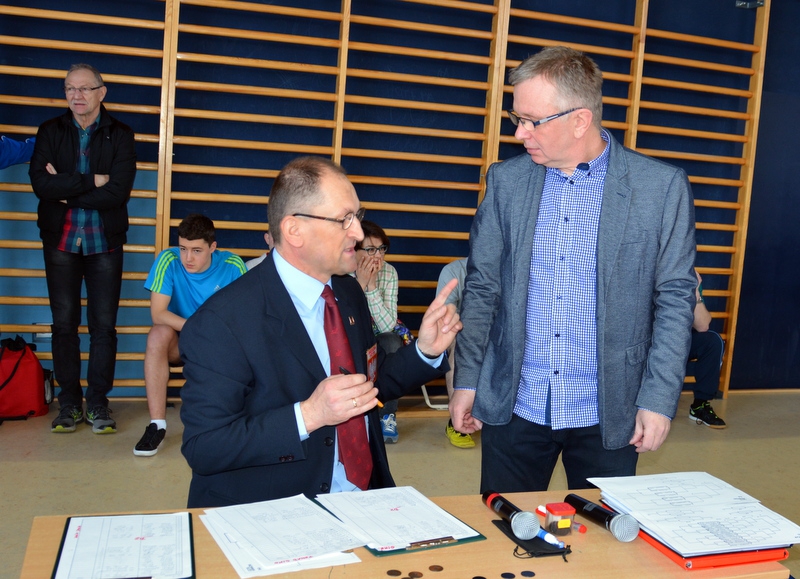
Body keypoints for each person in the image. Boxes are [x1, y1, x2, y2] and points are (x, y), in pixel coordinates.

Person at [449, 46, 697, 493]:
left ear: (580, 120)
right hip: (515, 404)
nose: (520, 132)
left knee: (603, 531)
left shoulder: (660, 188)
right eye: (517, 118)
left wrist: (659, 399)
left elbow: (675, 301)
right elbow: (483, 287)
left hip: (611, 409)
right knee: (505, 524)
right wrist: (466, 380)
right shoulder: (506, 182)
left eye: (532, 121)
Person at [179, 155, 461, 508]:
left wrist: (425, 350)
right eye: (345, 219)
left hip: (363, 495)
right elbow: (204, 447)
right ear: (294, 230)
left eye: (357, 216)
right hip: (277, 509)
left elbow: (367, 384)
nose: (358, 233)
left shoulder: (347, 292)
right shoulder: (220, 322)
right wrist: (309, 415)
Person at [29, 63, 136, 434]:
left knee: (103, 327)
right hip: (60, 241)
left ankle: (99, 403)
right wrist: (93, 181)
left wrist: (67, 190)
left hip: (104, 242)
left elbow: (118, 192)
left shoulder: (121, 134)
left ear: (101, 93)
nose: (76, 95)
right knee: (64, 326)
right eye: (69, 88)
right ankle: (70, 404)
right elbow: (41, 185)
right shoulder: (50, 130)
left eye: (84, 88)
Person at [134, 214, 247, 456]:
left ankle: (227, 423)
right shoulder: (168, 259)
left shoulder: (233, 265)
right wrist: (198, 328)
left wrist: (210, 333)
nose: (187, 258)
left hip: (218, 345)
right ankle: (157, 425)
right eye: (183, 249)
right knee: (157, 334)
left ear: (212, 247)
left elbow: (243, 320)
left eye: (196, 250)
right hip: (181, 341)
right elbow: (158, 314)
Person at [353, 219, 403, 443]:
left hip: (378, 335)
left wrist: (371, 287)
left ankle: (387, 415)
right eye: (370, 249)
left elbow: (387, 326)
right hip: (352, 333)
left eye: (382, 249)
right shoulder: (342, 271)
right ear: (355, 250)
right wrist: (360, 284)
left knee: (392, 341)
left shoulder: (389, 272)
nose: (378, 255)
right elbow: (345, 317)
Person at [436, 258, 475, 449]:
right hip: (460, 332)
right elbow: (446, 317)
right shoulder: (454, 271)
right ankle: (456, 422)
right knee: (460, 342)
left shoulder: (509, 269)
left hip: (497, 336)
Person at [687, 270, 726, 428]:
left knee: (712, 341)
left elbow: (702, 325)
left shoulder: (689, 275)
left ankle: (699, 405)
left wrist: (695, 292)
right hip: (650, 341)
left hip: (679, 341)